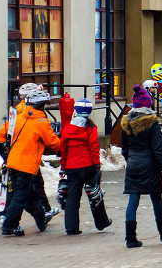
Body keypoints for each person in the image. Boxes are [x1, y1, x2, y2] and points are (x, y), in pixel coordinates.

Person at [0, 89, 61, 236]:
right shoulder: (41, 122)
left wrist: (2, 148)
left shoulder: (18, 118)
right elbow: (54, 143)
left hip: (13, 162)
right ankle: (9, 225)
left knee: (28, 195)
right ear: (40, 105)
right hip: (27, 165)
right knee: (20, 196)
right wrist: (64, 145)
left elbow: (1, 132)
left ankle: (41, 219)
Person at [121, 85, 162, 248]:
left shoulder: (126, 123)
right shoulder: (152, 123)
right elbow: (158, 149)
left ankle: (130, 238)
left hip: (133, 164)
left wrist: (130, 160)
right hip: (150, 166)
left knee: (133, 201)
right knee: (156, 198)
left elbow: (124, 149)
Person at [59, 97, 111, 235]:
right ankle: (101, 222)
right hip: (87, 165)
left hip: (71, 166)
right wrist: (96, 166)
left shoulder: (67, 129)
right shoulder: (90, 128)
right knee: (94, 194)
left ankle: (71, 227)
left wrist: (63, 167)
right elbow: (94, 147)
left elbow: (63, 150)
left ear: (76, 110)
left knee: (72, 197)